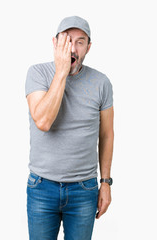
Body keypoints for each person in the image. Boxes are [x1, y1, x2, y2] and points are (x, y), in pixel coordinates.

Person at [25, 15, 114, 240]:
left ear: (88, 47)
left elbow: (106, 134)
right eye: (66, 40)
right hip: (42, 187)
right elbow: (43, 121)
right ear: (55, 43)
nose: (72, 47)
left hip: (84, 189)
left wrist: (105, 183)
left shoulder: (101, 82)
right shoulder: (37, 73)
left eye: (80, 42)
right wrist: (61, 72)